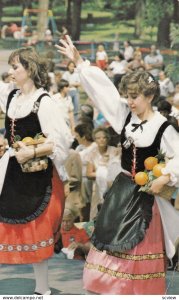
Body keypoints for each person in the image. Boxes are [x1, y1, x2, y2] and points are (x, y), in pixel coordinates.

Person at [56, 35, 179, 295]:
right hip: (122, 192)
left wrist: (165, 176)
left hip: (145, 200)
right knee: (109, 244)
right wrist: (80, 63)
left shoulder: (163, 127)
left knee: (137, 248)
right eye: (128, 96)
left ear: (150, 96)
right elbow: (104, 94)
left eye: (135, 97)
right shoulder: (126, 116)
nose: (130, 101)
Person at [0, 46, 73, 295]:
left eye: (15, 67)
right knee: (15, 224)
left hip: (38, 175)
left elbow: (61, 141)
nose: (10, 72)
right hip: (13, 173)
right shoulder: (12, 97)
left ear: (29, 69)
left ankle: (43, 290)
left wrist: (31, 152)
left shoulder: (44, 102)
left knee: (35, 229)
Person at [86, 127, 119, 220]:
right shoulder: (92, 153)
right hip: (98, 187)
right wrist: (102, 173)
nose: (101, 140)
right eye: (98, 138)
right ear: (95, 140)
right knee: (97, 213)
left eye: (104, 137)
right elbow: (88, 173)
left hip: (113, 186)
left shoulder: (114, 150)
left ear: (107, 138)